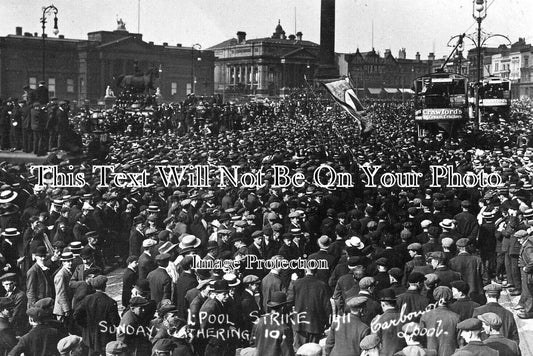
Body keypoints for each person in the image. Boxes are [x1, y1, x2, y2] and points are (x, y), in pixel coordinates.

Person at [73, 275, 120, 356]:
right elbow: (116, 322)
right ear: (105, 286)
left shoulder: (87, 299)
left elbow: (76, 315)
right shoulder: (110, 302)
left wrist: (85, 325)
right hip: (105, 336)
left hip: (89, 336)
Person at [288, 267, 331, 349]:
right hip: (316, 324)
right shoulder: (322, 285)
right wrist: (327, 323)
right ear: (316, 271)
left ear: (305, 270)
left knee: (299, 350)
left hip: (299, 323)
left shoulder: (296, 283)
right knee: (313, 351)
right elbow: (327, 307)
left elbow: (289, 301)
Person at [420, 286, 460, 356]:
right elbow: (459, 340)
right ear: (450, 298)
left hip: (429, 352)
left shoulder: (426, 316)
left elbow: (421, 338)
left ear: (435, 297)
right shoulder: (456, 317)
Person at [253, 291, 295, 356]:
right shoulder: (284, 328)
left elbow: (252, 342)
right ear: (282, 308)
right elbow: (288, 352)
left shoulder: (259, 322)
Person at [53, 252, 74, 323]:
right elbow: (61, 293)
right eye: (68, 261)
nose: (70, 263)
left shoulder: (69, 272)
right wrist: (66, 309)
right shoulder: (61, 275)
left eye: (71, 261)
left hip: (67, 306)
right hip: (62, 310)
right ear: (63, 262)